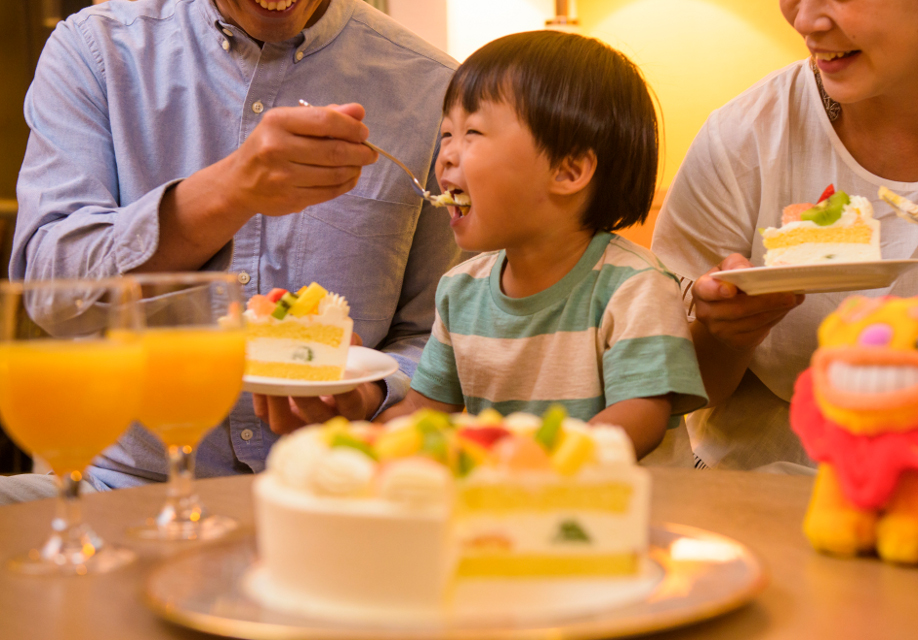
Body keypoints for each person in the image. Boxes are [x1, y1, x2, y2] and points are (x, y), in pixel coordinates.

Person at [5, 0, 460, 500]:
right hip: (121, 487)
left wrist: (373, 393)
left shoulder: (433, 88)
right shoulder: (96, 51)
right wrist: (227, 192)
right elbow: (49, 295)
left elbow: (438, 331)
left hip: (329, 489)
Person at [651, 0, 918, 471]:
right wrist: (725, 335)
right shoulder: (747, 137)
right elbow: (662, 390)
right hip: (765, 498)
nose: (804, 20)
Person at [377, 31, 708, 458]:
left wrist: (534, 460)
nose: (446, 156)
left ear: (568, 171)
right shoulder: (460, 291)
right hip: (511, 509)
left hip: (617, 514)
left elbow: (639, 417)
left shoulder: (635, 287)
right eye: (446, 134)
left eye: (472, 132)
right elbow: (425, 409)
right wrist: (356, 436)